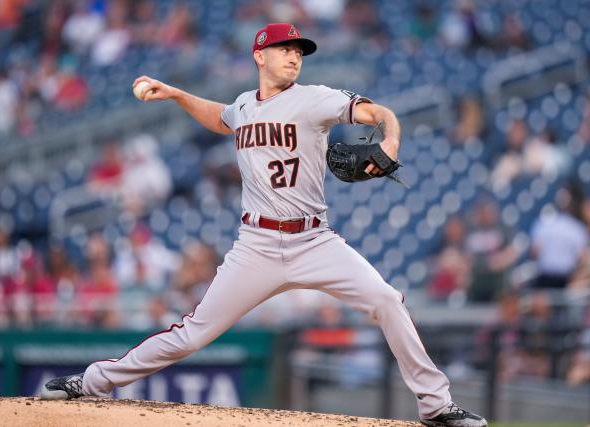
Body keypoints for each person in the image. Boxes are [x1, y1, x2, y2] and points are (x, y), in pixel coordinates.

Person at [40, 23, 486, 427]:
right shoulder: (243, 107)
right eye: (284, 49)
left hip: (314, 240)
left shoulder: (315, 98)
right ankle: (95, 381)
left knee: (387, 300)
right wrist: (176, 94)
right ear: (259, 56)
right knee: (191, 334)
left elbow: (380, 112)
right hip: (255, 245)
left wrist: (390, 139)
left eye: (299, 50)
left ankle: (436, 404)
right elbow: (220, 116)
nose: (294, 56)